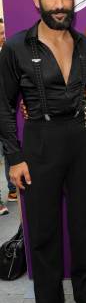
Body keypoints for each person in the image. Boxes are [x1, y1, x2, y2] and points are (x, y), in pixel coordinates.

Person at [0, 0, 86, 303]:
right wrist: (14, 158)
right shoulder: (16, 47)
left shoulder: (84, 46)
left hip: (80, 140)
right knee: (43, 235)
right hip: (39, 144)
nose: (60, 4)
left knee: (85, 227)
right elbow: (2, 105)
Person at [0, 18, 17, 208]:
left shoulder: (7, 53)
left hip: (6, 112)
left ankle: (13, 190)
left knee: (8, 152)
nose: (3, 36)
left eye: (4, 32)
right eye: (0, 33)